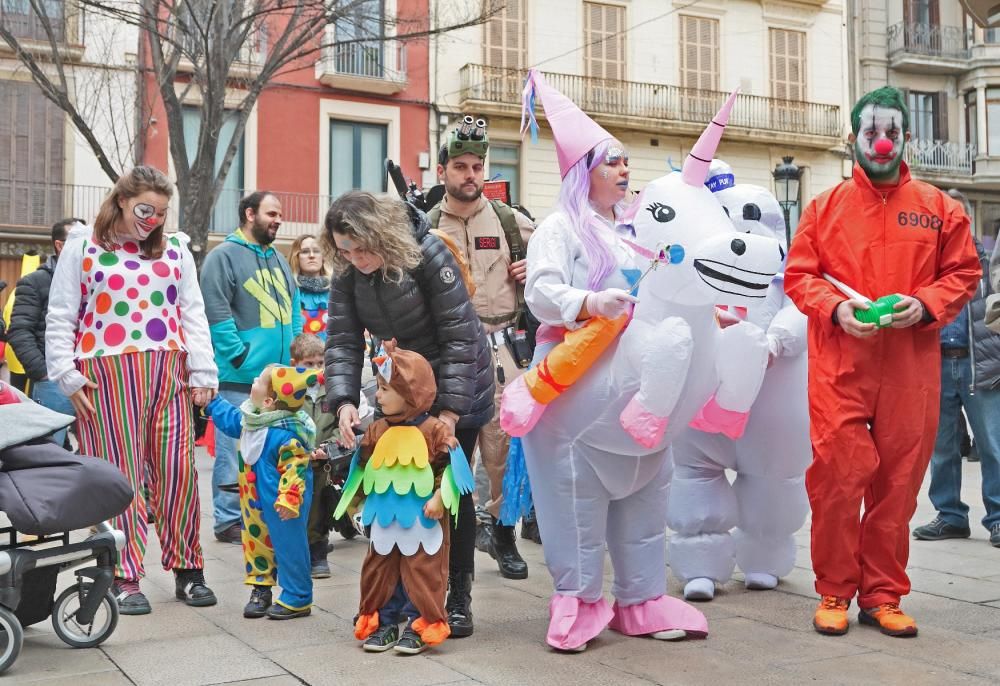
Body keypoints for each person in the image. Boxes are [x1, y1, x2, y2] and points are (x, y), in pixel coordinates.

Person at [514, 68, 707, 652]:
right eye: (613, 161)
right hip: (578, 390)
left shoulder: (634, 232)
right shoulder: (559, 228)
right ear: (585, 173)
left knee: (649, 494)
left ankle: (643, 597)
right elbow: (540, 291)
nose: (626, 170)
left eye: (626, 162)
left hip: (638, 391)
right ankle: (578, 599)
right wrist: (588, 300)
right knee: (575, 502)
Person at [784, 87, 981, 638]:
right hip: (840, 367)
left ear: (906, 138)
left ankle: (882, 594)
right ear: (854, 138)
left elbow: (963, 273)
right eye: (870, 132)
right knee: (838, 481)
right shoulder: (824, 208)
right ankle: (834, 591)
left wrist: (926, 305)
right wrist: (837, 307)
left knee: (898, 486)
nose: (881, 142)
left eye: (890, 131)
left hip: (910, 370)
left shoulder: (941, 209)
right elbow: (799, 277)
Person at [45, 165, 219, 615]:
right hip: (104, 374)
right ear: (121, 200)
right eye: (145, 209)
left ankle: (188, 569)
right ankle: (122, 574)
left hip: (168, 370)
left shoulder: (175, 249)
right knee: (118, 475)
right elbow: (61, 314)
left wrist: (203, 372)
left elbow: (192, 312)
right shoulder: (84, 246)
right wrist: (67, 375)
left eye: (161, 213)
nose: (153, 220)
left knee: (179, 471)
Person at [323, 190, 494, 638]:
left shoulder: (427, 253)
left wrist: (450, 414)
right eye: (345, 251)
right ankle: (404, 599)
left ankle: (457, 596)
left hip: (460, 381)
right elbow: (342, 340)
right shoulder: (347, 271)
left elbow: (460, 335)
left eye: (363, 249)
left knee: (450, 490)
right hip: (401, 386)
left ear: (383, 236)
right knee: (402, 492)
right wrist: (342, 401)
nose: (356, 259)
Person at [428, 120, 534, 580]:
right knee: (451, 452)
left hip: (504, 351)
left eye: (476, 166)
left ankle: (505, 536)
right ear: (442, 171)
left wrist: (538, 271)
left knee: (505, 451)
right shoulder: (426, 227)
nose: (470, 174)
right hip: (448, 353)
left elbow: (561, 266)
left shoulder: (511, 222)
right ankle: (455, 542)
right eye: (460, 166)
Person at [339, 341, 474, 655]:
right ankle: (384, 622)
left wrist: (441, 496)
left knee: (423, 570)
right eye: (379, 387)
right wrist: (356, 502)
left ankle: (419, 622)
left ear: (411, 391)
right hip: (384, 521)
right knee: (380, 569)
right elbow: (361, 467)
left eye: (386, 388)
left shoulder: (435, 430)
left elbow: (453, 469)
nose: (378, 395)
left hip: (423, 522)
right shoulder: (376, 430)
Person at [201, 191, 303, 545]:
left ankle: (258, 513)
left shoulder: (278, 258)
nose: (278, 220)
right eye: (271, 213)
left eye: (279, 214)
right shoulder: (222, 257)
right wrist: (240, 356)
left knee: (270, 451)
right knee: (233, 452)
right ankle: (228, 518)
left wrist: (297, 350)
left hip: (279, 379)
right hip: (240, 377)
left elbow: (293, 306)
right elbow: (216, 312)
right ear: (249, 214)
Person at [912, 189, 1000, 548]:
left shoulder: (986, 265)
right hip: (936, 364)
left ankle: (997, 518)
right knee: (942, 446)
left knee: (993, 445)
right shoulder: (923, 267)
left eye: (956, 215)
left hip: (980, 365)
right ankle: (950, 516)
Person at [206, 364, 320, 619]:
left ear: (269, 401)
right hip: (254, 504)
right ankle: (261, 589)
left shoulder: (287, 434)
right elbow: (232, 420)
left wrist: (290, 497)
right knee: (256, 544)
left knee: (290, 547)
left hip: (283, 506)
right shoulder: (254, 419)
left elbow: (296, 467)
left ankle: (297, 596)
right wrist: (213, 402)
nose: (254, 380)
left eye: (259, 380)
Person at [289, 332, 372, 578]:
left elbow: (341, 421)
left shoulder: (332, 390)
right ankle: (296, 553)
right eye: (309, 364)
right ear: (295, 364)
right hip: (295, 459)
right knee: (295, 506)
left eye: (319, 363)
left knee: (319, 507)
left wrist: (328, 446)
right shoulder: (291, 392)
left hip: (323, 460)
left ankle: (318, 554)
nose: (316, 369)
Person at [7, 218, 83, 447]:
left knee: (97, 456)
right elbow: (19, 331)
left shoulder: (94, 279)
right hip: (53, 382)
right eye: (78, 240)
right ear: (60, 245)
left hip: (92, 379)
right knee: (48, 454)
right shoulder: (34, 282)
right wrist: (43, 373)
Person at [290, 235, 331, 341]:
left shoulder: (337, 290)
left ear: (323, 257)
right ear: (296, 257)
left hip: (333, 355)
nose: (312, 255)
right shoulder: (290, 291)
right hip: (299, 355)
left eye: (317, 251)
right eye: (305, 251)